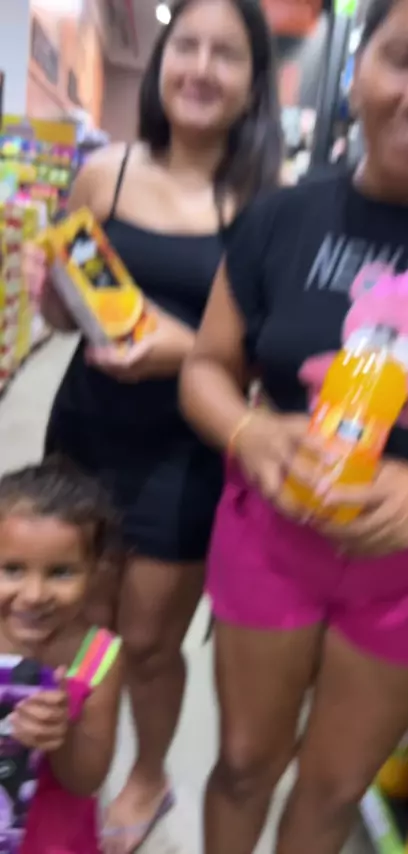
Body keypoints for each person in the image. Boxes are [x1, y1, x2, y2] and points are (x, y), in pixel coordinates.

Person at [180, 0, 408, 852]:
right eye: (403, 58)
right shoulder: (282, 219)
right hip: (271, 541)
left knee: (335, 787)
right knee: (245, 764)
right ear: (356, 68)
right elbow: (205, 369)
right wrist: (250, 433)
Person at [23, 0, 282, 849]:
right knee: (78, 619)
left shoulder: (267, 206)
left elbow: (270, 355)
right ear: (163, 65)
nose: (200, 68)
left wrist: (172, 349)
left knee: (148, 642)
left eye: (225, 54)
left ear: (254, 83)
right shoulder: (105, 174)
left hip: (187, 450)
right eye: (186, 48)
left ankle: (148, 774)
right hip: (85, 430)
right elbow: (68, 314)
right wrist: (53, 298)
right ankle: (70, 763)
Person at [0, 458, 122, 853]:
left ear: (97, 570)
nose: (34, 595)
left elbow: (86, 781)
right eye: (12, 570)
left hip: (50, 835)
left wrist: (61, 735)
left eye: (61, 572)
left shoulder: (97, 657)